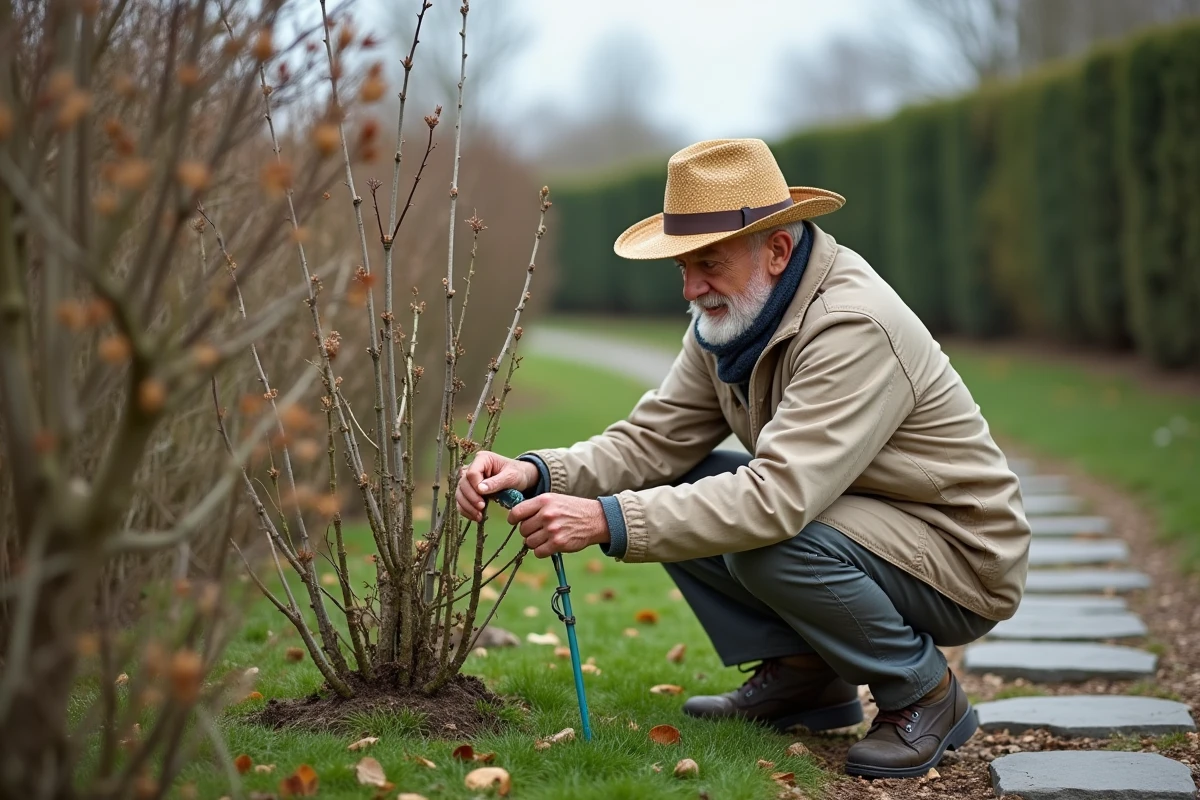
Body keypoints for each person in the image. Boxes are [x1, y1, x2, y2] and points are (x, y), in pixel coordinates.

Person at [455, 138, 1030, 779]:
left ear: (777, 251)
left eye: (708, 264)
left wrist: (607, 519)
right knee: (683, 485)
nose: (691, 288)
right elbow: (653, 443)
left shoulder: (851, 325)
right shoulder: (731, 317)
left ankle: (924, 693)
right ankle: (807, 677)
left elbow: (777, 499)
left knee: (768, 539)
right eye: (682, 266)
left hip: (957, 555)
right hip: (865, 524)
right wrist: (538, 470)